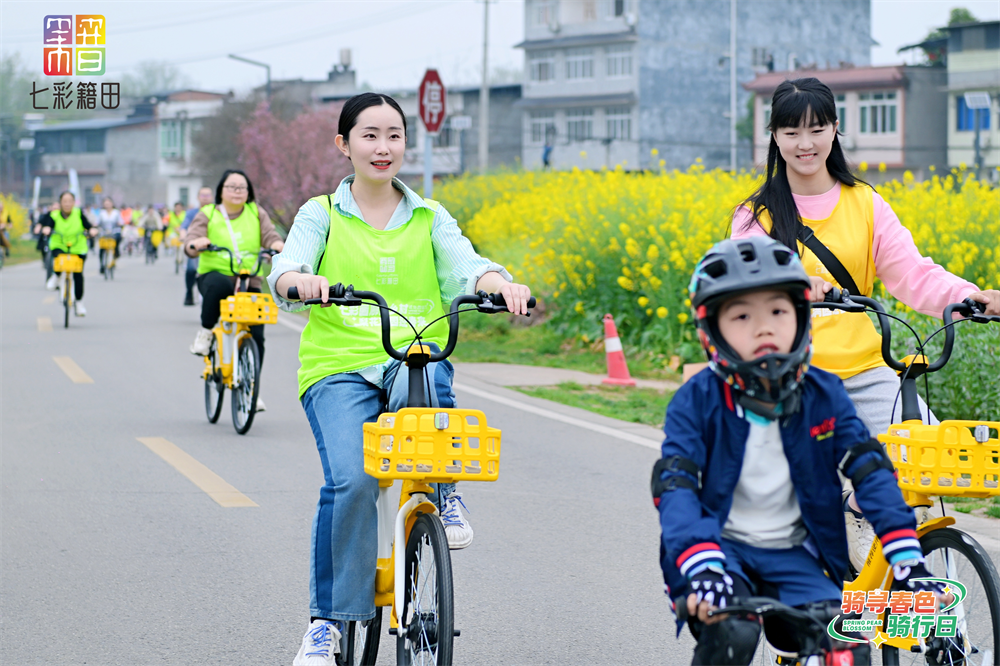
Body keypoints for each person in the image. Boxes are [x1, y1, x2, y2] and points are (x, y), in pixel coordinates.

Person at [268, 92, 531, 665]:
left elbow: (469, 265)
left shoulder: (431, 217)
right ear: (344, 145)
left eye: (393, 135)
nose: (382, 147)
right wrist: (297, 280)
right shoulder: (321, 213)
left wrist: (499, 285)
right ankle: (328, 624)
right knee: (353, 481)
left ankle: (442, 489)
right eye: (369, 135)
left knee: (432, 378)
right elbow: (288, 265)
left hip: (410, 353)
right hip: (337, 365)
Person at [730, 77, 1000, 572]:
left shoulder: (865, 203)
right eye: (790, 132)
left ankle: (942, 628)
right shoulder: (757, 216)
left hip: (867, 371)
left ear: (835, 129)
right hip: (792, 379)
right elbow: (742, 292)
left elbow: (914, 274)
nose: (804, 143)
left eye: (815, 129)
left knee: (929, 475)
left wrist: (970, 297)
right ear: (774, 137)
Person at [656, 236, 952, 666]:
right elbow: (676, 490)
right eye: (741, 315)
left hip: (799, 555)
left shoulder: (824, 393)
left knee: (846, 644)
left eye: (778, 311)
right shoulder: (695, 400)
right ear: (711, 330)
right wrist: (700, 567)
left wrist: (907, 560)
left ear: (801, 318)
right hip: (717, 552)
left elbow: (871, 473)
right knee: (731, 630)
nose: (764, 328)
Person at [185, 169, 284, 411]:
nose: (238, 191)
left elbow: (270, 236)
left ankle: (251, 387)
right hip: (214, 275)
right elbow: (192, 239)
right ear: (221, 191)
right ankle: (207, 333)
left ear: (249, 192)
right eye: (232, 187)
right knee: (218, 285)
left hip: (248, 280)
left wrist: (278, 246)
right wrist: (197, 244)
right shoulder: (208, 213)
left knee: (257, 333)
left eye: (242, 187)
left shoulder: (256, 212)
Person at [41, 191, 97, 314]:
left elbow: (88, 225)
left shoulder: (78, 213)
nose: (67, 204)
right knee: (59, 259)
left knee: (78, 274)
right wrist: (46, 229)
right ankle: (56, 276)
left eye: (69, 201)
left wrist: (92, 230)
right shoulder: (54, 215)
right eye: (64, 201)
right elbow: (48, 225)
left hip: (77, 246)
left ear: (74, 202)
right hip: (59, 244)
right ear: (60, 203)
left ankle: (79, 303)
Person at [180, 187, 215, 306]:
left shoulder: (217, 212)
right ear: (198, 197)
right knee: (190, 269)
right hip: (196, 247)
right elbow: (184, 227)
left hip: (213, 248)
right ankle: (189, 292)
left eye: (208, 195)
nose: (205, 198)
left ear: (212, 197)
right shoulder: (191, 213)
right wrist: (184, 237)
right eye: (203, 195)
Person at [95, 196, 123, 273]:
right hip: (104, 232)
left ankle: (116, 254)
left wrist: (120, 224)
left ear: (112, 204)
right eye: (105, 203)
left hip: (114, 232)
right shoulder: (101, 213)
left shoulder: (116, 212)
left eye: (109, 203)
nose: (107, 205)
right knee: (102, 248)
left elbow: (121, 221)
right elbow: (97, 222)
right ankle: (102, 265)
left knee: (118, 238)